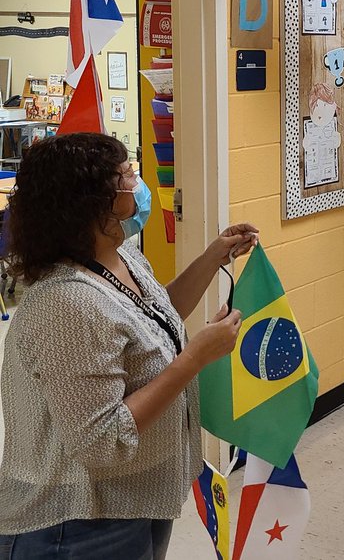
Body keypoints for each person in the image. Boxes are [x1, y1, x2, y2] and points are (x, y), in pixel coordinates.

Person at [0, 133, 259, 559]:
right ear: (89, 201)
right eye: (126, 176)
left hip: (136, 497)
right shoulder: (66, 304)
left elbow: (152, 316)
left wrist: (214, 257)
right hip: (77, 522)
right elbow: (102, 440)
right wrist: (194, 358)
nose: (137, 184)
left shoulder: (121, 256)